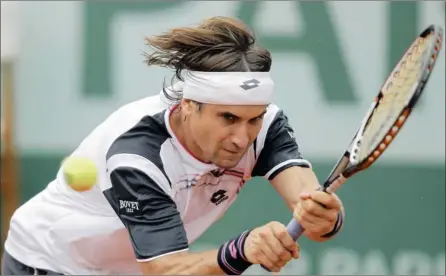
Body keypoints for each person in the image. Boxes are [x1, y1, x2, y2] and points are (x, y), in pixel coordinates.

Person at [1, 16, 345, 275]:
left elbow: (310, 207)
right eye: (227, 118)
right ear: (188, 105)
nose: (242, 138)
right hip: (54, 262)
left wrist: (325, 218)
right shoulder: (137, 156)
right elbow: (167, 270)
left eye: (253, 119)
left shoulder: (267, 127)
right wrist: (242, 250)